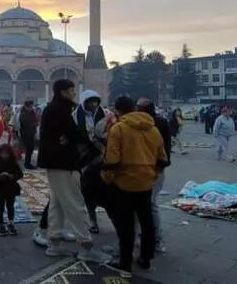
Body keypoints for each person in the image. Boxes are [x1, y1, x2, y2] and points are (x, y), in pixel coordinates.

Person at [37, 79, 111, 264]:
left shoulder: (54, 108)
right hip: (63, 163)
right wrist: (95, 149)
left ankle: (54, 244)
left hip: (56, 162)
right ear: (62, 91)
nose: (74, 93)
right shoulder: (59, 110)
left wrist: (67, 139)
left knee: (58, 203)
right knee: (74, 203)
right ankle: (86, 247)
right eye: (71, 90)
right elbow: (75, 134)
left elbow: (66, 135)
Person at [103, 96, 167, 275]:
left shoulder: (119, 129)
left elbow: (112, 159)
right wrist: (152, 175)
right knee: (146, 222)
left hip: (124, 184)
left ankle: (125, 263)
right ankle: (146, 258)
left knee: (126, 225)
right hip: (146, 183)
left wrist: (108, 177)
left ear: (118, 110)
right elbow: (162, 158)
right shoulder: (153, 129)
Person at [135, 98, 171, 254]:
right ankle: (148, 237)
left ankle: (155, 239)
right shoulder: (159, 123)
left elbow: (164, 148)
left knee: (149, 205)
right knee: (147, 205)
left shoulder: (154, 125)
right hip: (152, 168)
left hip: (152, 169)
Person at [72, 90, 107, 235]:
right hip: (85, 157)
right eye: (90, 101)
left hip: (103, 156)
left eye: (96, 101)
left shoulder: (105, 114)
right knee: (87, 189)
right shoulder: (74, 117)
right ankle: (93, 220)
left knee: (105, 188)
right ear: (84, 102)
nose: (93, 104)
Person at [0, 144, 23, 236]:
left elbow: (20, 174)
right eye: (2, 153)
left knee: (10, 206)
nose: (4, 155)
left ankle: (11, 222)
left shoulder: (13, 163)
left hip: (11, 188)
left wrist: (12, 176)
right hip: (0, 188)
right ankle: (0, 224)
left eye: (6, 154)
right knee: (0, 206)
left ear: (10, 154)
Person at [17, 101, 39, 170]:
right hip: (25, 133)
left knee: (30, 148)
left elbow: (35, 121)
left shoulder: (32, 112)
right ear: (26, 106)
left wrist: (35, 125)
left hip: (31, 132)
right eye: (30, 106)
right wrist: (33, 124)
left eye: (32, 106)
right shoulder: (23, 113)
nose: (32, 108)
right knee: (29, 148)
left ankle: (28, 163)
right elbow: (25, 123)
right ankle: (27, 164)